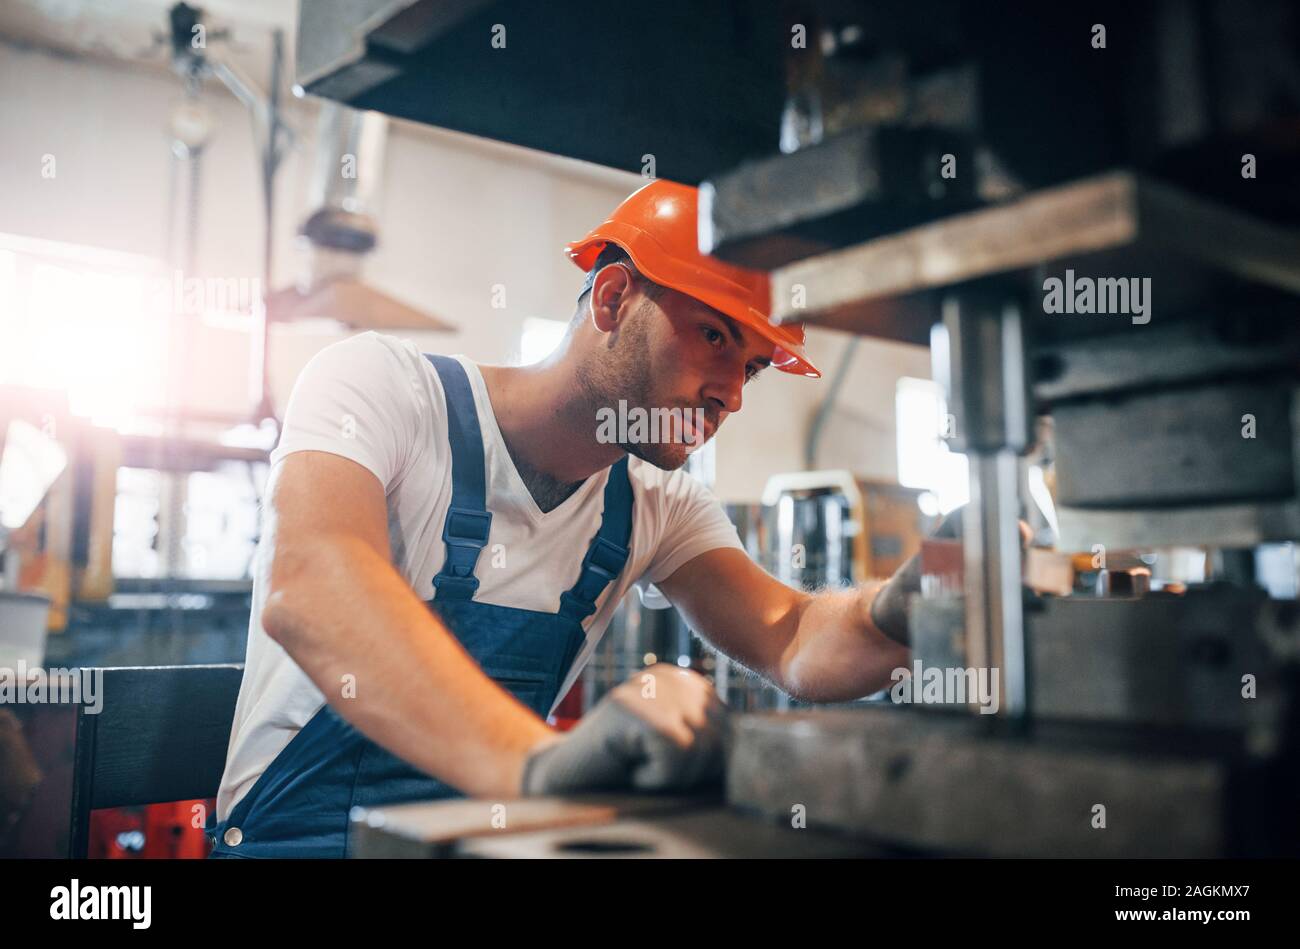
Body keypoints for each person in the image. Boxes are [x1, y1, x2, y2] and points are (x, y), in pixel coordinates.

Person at [209, 179, 918, 858]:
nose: (731, 394)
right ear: (612, 298)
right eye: (713, 336)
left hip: (477, 845)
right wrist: (539, 765)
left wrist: (902, 610)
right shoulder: (381, 387)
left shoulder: (653, 504)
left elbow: (792, 635)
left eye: (753, 367)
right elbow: (311, 584)